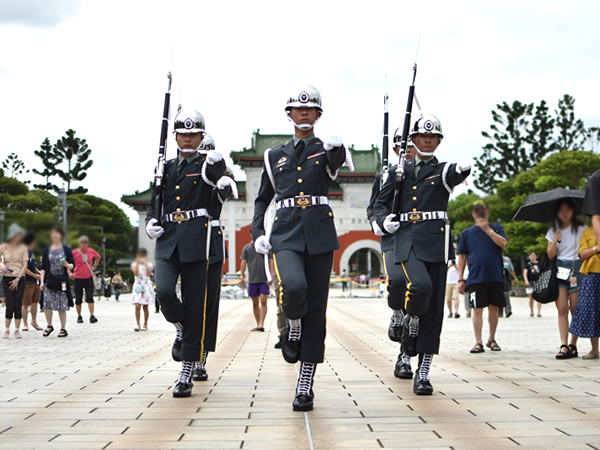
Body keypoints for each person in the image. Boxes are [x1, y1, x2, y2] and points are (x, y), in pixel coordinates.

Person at [251, 85, 351, 411]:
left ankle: (305, 383)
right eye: (298, 109)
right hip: (286, 231)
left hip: (320, 232)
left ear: (318, 115)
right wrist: (256, 233)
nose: (304, 113)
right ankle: (291, 325)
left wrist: (336, 149)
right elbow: (263, 199)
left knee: (316, 310)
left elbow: (336, 164)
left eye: (310, 110)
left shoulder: (327, 149)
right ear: (289, 114)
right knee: (293, 288)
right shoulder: (273, 155)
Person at [373, 113, 471, 395]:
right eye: (422, 137)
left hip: (435, 245)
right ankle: (407, 321)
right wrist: (382, 222)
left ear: (438, 141)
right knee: (417, 287)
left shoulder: (442, 171)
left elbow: (454, 173)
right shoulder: (396, 173)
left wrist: (463, 170)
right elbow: (379, 205)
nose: (427, 141)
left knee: (434, 310)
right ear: (413, 140)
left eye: (433, 137)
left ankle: (423, 372)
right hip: (404, 241)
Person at [146, 107, 226, 398]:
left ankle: (186, 371)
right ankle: (179, 326)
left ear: (201, 136)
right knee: (164, 292)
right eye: (183, 134)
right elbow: (155, 202)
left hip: (197, 240)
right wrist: (150, 223)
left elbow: (219, 185)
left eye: (194, 134)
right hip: (168, 239)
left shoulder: (209, 165)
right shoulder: (164, 168)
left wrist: (221, 176)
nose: (188, 139)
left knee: (196, 306)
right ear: (175, 136)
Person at [367, 131, 418, 380]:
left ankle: (405, 357)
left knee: (418, 298)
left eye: (411, 145)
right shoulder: (385, 174)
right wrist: (379, 222)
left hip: (421, 241)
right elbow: (374, 206)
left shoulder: (430, 173)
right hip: (394, 238)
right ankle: (396, 312)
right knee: (397, 282)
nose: (406, 149)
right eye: (401, 146)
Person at [194, 134, 238, 382]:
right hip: (183, 239)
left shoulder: (222, 173)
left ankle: (200, 358)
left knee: (208, 304)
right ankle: (183, 334)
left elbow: (227, 183)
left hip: (210, 239)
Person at [457, 200, 508, 354]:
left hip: (495, 276)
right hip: (475, 277)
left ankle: (491, 338)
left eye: (483, 210)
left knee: (494, 308)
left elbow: (504, 244)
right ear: (473, 213)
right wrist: (460, 279)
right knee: (476, 309)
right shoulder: (467, 233)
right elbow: (462, 256)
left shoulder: (497, 228)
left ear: (488, 212)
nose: (480, 213)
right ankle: (478, 341)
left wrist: (489, 231)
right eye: (477, 211)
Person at [546, 199, 586, 359]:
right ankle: (563, 344)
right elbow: (550, 254)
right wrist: (555, 239)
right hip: (561, 268)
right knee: (562, 308)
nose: (565, 213)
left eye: (568, 210)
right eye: (561, 210)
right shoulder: (553, 230)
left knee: (575, 308)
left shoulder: (582, 228)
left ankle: (573, 344)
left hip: (577, 267)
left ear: (573, 211)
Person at [569, 226, 600, 359]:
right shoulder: (588, 231)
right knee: (591, 310)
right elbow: (581, 253)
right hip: (592, 274)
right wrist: (596, 249)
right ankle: (594, 350)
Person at [40, 226, 75, 338]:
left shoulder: (66, 249)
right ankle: (49, 325)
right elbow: (43, 267)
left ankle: (63, 328)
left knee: (62, 304)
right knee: (47, 304)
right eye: (53, 233)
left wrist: (67, 265)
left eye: (57, 233)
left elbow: (72, 265)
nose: (54, 235)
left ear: (61, 235)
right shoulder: (46, 250)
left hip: (62, 280)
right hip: (50, 279)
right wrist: (41, 282)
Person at [0, 224, 28, 338]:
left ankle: (17, 329)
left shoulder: (23, 248)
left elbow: (25, 264)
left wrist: (18, 279)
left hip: (19, 277)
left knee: (18, 305)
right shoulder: (3, 246)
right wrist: (1, 265)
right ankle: (6, 329)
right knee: (10, 305)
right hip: (7, 278)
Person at [240, 241, 272, 332]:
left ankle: (261, 323)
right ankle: (258, 323)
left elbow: (271, 261)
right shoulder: (247, 248)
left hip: (264, 280)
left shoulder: (266, 247)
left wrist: (271, 275)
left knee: (263, 300)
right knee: (255, 303)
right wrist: (241, 276)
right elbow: (243, 262)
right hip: (252, 280)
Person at [72, 235, 101, 323]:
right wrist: (70, 273)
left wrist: (94, 266)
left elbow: (98, 257)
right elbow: (68, 261)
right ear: (79, 244)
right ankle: (79, 316)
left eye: (85, 243)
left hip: (88, 277)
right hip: (78, 277)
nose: (84, 245)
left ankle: (92, 315)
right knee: (78, 298)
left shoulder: (90, 251)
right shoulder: (74, 252)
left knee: (90, 296)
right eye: (82, 243)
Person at [21, 231, 42, 331]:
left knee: (35, 303)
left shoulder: (31, 252)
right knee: (25, 304)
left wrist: (39, 272)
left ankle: (34, 321)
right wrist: (34, 275)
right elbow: (23, 268)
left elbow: (33, 266)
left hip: (35, 282)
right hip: (27, 281)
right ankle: (25, 324)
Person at [131, 249, 154, 331]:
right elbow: (136, 274)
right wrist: (137, 263)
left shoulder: (149, 264)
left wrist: (146, 263)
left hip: (146, 286)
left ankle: (145, 323)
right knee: (137, 305)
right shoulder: (134, 264)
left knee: (145, 306)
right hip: (138, 286)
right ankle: (137, 324)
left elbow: (148, 274)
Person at [524, 251, 542, 318]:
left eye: (534, 255)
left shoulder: (540, 264)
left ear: (536, 256)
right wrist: (526, 280)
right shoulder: (528, 265)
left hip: (538, 282)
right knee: (531, 298)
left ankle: (539, 312)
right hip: (530, 282)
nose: (532, 257)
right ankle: (531, 311)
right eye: (531, 255)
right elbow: (525, 273)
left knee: (539, 298)